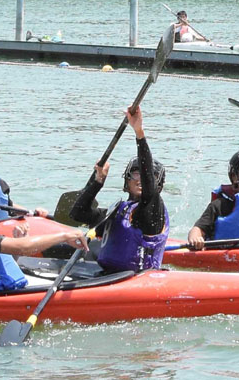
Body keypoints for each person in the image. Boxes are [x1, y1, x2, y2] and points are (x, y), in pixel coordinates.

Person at [68, 105, 168, 273]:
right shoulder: (120, 211)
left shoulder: (153, 212)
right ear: (127, 180)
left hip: (137, 280)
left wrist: (139, 134)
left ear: (157, 185)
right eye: (135, 175)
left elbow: (148, 182)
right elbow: (77, 214)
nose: (140, 181)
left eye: (145, 177)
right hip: (107, 275)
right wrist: (97, 182)